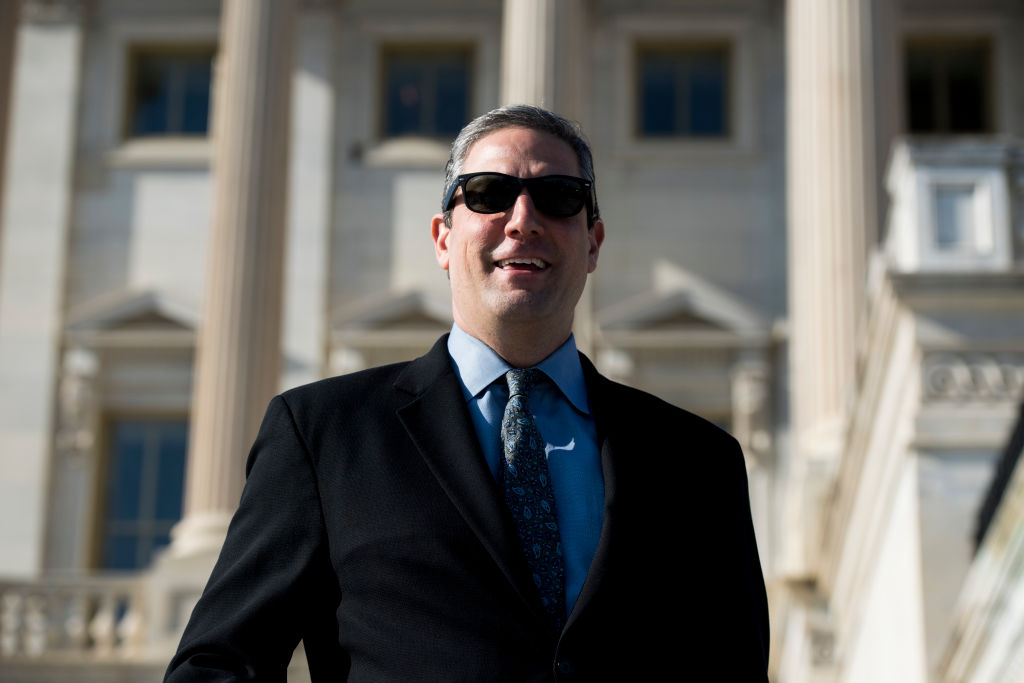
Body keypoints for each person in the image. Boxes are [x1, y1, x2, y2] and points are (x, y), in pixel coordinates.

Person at [166, 105, 769, 681]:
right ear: (442, 238)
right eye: (488, 194)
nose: (523, 220)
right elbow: (221, 665)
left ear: (592, 243)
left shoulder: (699, 460)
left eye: (559, 197)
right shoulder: (324, 433)